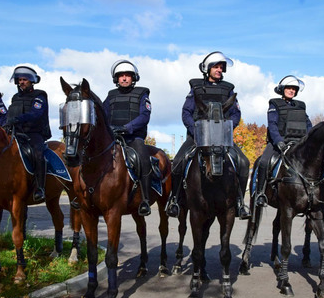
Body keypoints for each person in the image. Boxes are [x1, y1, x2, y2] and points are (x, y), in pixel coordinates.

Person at [166, 51, 250, 219]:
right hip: (198, 137)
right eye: (216, 67)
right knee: (177, 162)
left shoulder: (228, 89)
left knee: (244, 162)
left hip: (222, 138)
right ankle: (174, 199)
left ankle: (239, 203)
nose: (219, 70)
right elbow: (186, 113)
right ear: (207, 69)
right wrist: (196, 130)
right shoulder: (195, 88)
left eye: (221, 67)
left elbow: (235, 115)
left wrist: (226, 129)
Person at [103, 60, 152, 216]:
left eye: (127, 76)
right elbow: (102, 116)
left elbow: (145, 116)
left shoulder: (142, 94)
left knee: (143, 159)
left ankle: (145, 199)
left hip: (133, 138)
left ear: (134, 78)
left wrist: (126, 128)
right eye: (121, 76)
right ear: (116, 79)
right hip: (112, 138)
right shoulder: (111, 96)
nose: (124, 78)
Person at [255, 75, 312, 205]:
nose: (292, 91)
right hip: (279, 143)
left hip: (298, 144)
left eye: (294, 89)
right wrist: (278, 141)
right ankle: (260, 193)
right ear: (282, 89)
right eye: (289, 88)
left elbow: (308, 125)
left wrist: (310, 139)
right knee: (264, 162)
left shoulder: (301, 106)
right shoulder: (274, 104)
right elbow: (272, 125)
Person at [5, 65, 51, 203]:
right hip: (16, 133)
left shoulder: (39, 96)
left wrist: (18, 119)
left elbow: (36, 114)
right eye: (19, 80)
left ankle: (39, 188)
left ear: (31, 81)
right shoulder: (15, 97)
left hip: (34, 134)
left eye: (24, 79)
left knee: (38, 155)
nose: (21, 82)